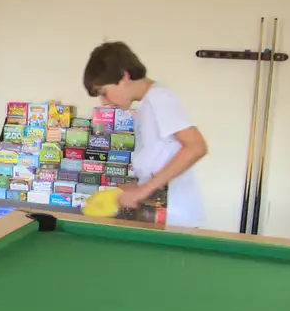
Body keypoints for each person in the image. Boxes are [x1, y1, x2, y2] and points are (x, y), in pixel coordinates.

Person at [83, 41, 208, 228]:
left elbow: (196, 146)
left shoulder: (159, 98)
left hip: (174, 218)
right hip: (162, 214)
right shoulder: (147, 104)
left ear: (123, 77)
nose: (104, 101)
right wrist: (135, 188)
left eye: (104, 92)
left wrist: (143, 191)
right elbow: (160, 158)